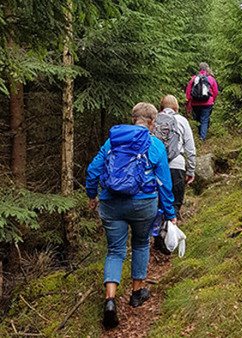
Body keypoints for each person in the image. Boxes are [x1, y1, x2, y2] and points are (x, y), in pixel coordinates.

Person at [85, 102, 177, 329]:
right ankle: (137, 293)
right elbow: (164, 183)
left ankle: (110, 300)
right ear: (152, 123)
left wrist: (91, 195)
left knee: (115, 251)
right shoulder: (154, 145)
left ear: (132, 118)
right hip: (143, 204)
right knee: (140, 244)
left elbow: (93, 170)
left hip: (111, 203)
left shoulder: (112, 142)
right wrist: (170, 213)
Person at [158, 94, 196, 217]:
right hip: (177, 165)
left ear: (161, 107)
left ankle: (158, 234)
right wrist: (191, 170)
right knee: (174, 203)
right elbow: (190, 148)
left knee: (158, 203)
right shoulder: (182, 120)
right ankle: (171, 231)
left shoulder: (155, 119)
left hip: (158, 166)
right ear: (176, 107)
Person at [185, 62, 219, 141]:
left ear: (199, 69)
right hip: (207, 103)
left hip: (195, 103)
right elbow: (216, 91)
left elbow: (188, 92)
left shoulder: (194, 78)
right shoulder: (211, 78)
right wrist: (212, 100)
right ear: (207, 68)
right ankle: (202, 138)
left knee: (198, 119)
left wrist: (189, 104)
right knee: (204, 120)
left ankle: (199, 135)